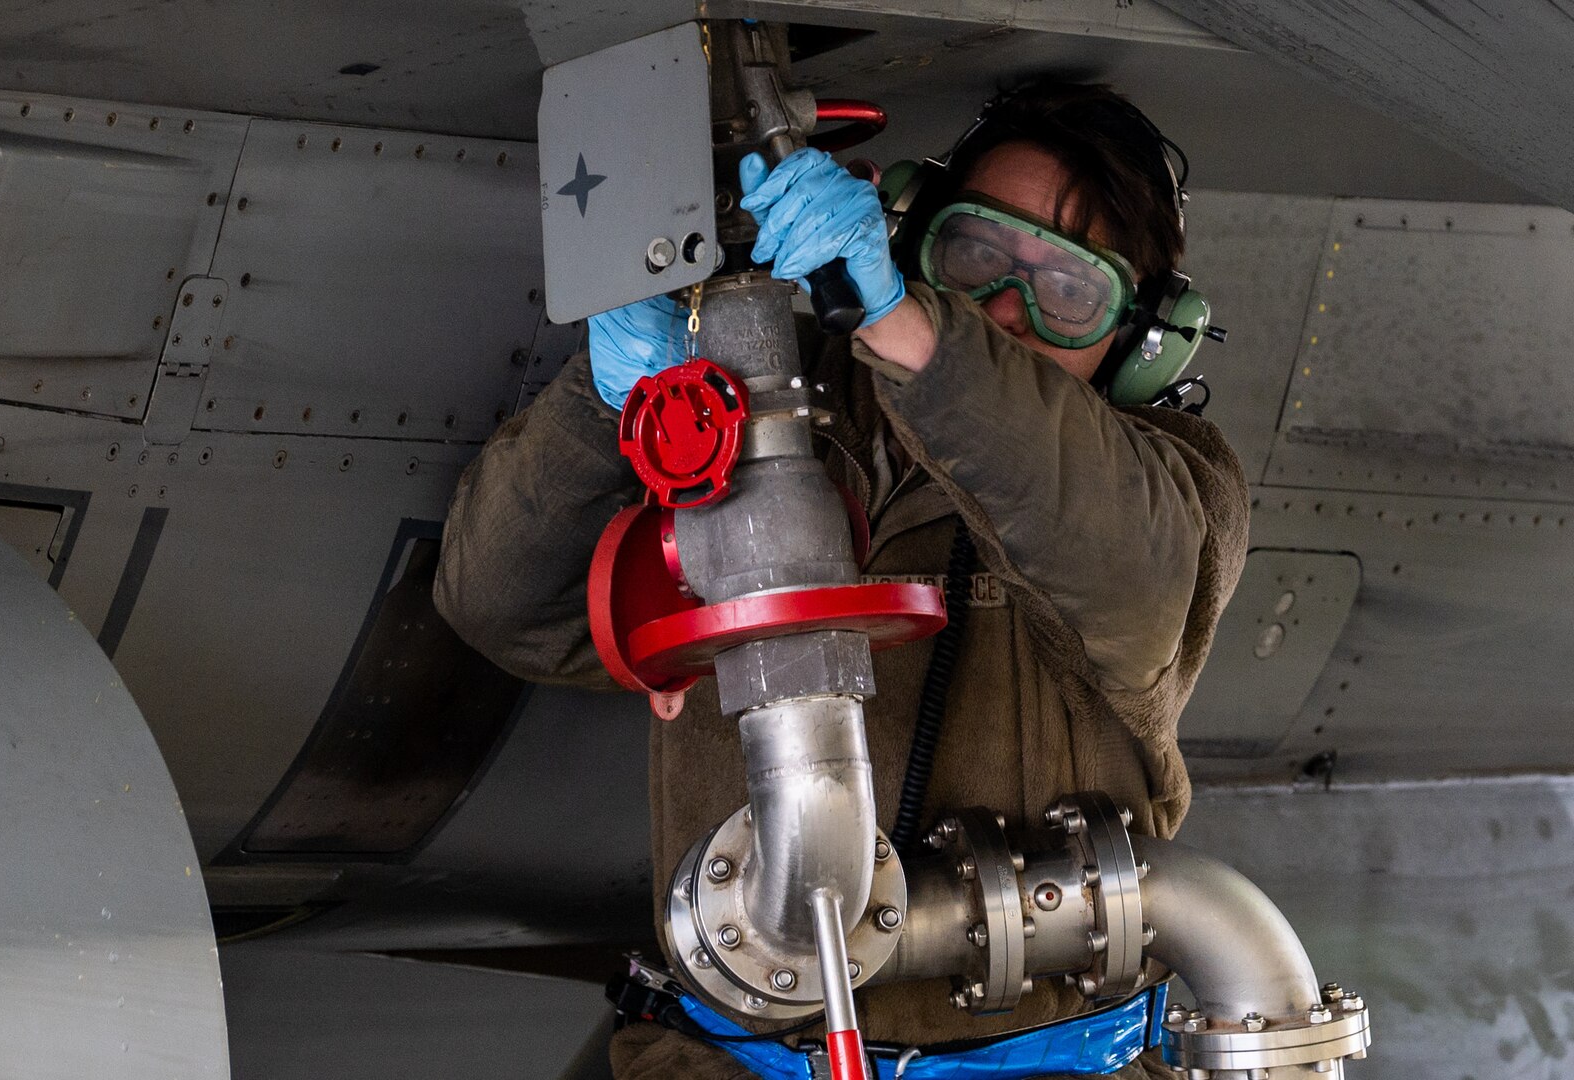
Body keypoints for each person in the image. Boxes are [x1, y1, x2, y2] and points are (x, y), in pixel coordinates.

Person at [434, 80, 1248, 1080]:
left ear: (1139, 340)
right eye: (977, 256)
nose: (1003, 308)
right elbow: (507, 608)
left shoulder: (1174, 483)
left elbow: (1126, 564)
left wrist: (917, 332)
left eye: (1067, 293)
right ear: (912, 238)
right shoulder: (759, 422)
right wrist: (610, 411)